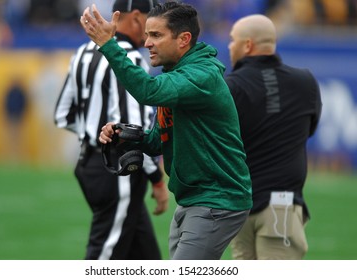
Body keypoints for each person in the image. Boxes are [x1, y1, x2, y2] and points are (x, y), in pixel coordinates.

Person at [81, 1, 253, 260]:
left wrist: (109, 44)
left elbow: (147, 91)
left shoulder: (200, 76)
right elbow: (158, 141)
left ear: (184, 39)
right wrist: (126, 136)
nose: (147, 42)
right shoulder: (178, 73)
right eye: (148, 34)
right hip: (194, 199)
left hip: (217, 200)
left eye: (156, 35)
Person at [54, 0, 169, 260]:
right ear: (138, 18)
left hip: (88, 163)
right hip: (119, 170)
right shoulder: (130, 59)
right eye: (153, 24)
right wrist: (157, 180)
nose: (153, 37)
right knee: (103, 257)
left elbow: (63, 115)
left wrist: (95, 134)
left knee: (145, 257)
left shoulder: (82, 52)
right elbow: (134, 132)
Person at [225, 14, 322, 260]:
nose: (229, 46)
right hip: (283, 205)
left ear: (247, 45)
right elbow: (308, 130)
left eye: (232, 40)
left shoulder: (229, 85)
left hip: (239, 204)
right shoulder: (306, 82)